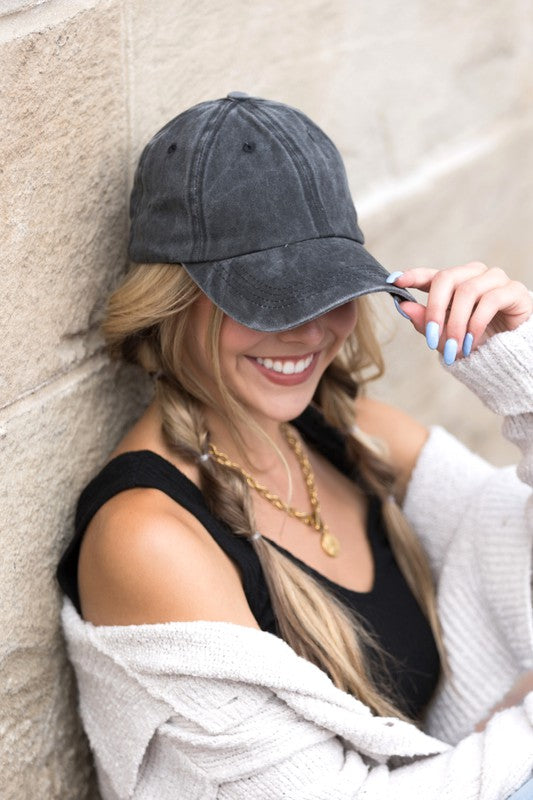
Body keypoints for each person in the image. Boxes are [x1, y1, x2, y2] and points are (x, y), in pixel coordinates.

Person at [57, 93, 533, 799]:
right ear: (171, 298)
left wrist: (521, 378)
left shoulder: (349, 434)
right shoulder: (146, 537)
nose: (310, 331)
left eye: (329, 290)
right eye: (269, 300)